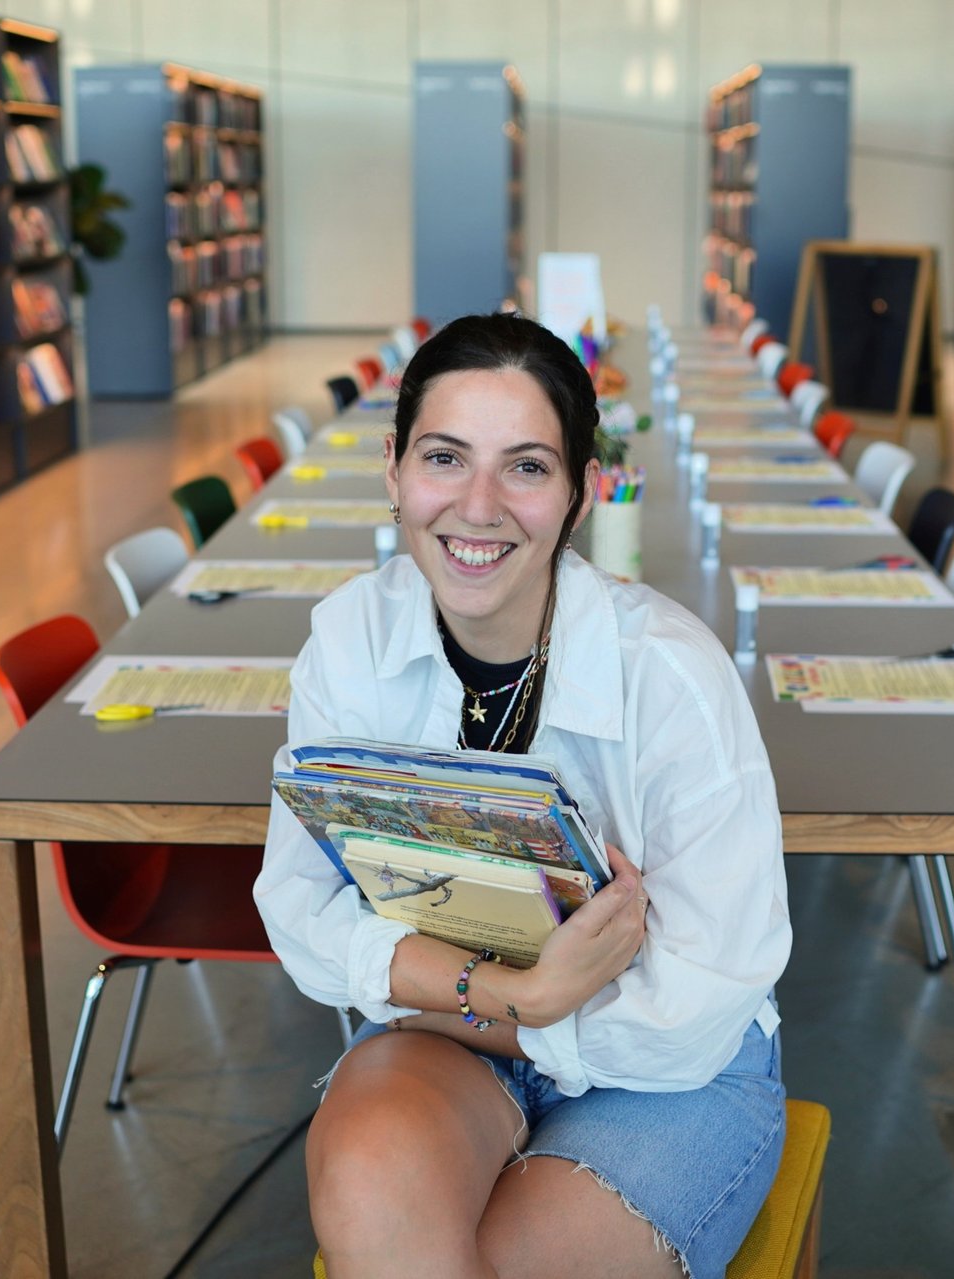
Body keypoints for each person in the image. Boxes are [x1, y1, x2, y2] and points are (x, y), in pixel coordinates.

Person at [256, 313, 791, 1279]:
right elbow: (300, 912)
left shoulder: (670, 674)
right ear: (393, 469)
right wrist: (515, 992)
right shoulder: (347, 643)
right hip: (461, 1031)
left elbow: (699, 999)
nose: (478, 504)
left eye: (528, 467)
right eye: (445, 456)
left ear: (583, 493)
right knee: (374, 1186)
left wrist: (462, 997)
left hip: (669, 1071)